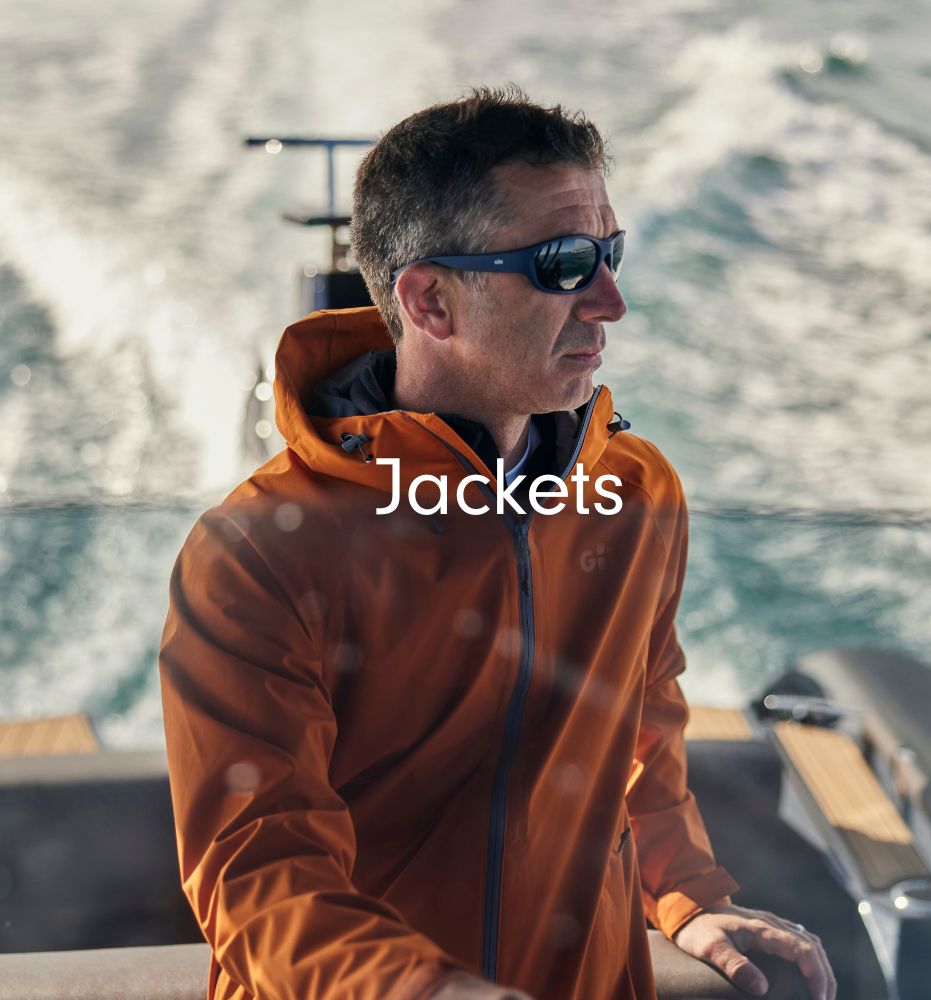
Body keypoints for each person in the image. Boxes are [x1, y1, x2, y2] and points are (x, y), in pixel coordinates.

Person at [158, 86, 836, 1000]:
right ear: (431, 301)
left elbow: (642, 721)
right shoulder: (254, 553)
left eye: (611, 253)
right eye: (565, 265)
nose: (611, 302)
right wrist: (428, 991)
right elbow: (256, 869)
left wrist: (684, 893)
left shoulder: (637, 494)